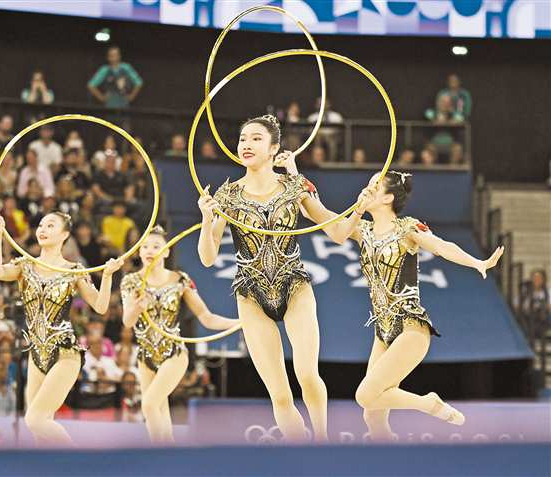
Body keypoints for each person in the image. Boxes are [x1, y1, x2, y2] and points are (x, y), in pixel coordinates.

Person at [198, 115, 373, 442]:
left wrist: (359, 210)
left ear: (274, 148)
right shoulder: (227, 195)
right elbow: (207, 258)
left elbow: (336, 232)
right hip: (250, 296)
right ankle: (299, 453)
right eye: (242, 139)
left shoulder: (295, 187)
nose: (246, 145)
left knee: (307, 375)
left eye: (255, 139)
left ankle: (321, 443)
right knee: (279, 394)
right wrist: (208, 221)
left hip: (294, 288)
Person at [336, 171, 503, 441]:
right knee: (373, 416)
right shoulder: (361, 229)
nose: (367, 188)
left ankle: (429, 403)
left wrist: (477, 262)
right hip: (383, 330)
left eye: (374, 186)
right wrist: (293, 178)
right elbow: (325, 221)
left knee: (365, 395)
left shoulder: (407, 229)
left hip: (410, 327)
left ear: (388, 197)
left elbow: (441, 246)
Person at [0, 209, 123, 444]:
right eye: (41, 225)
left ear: (65, 235)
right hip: (36, 354)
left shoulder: (74, 271)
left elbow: (101, 307)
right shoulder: (25, 265)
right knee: (39, 432)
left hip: (65, 353)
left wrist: (108, 275)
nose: (42, 229)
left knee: (35, 419)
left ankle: (80, 466)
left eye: (50, 225)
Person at [121, 226, 236, 443]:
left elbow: (206, 317)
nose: (149, 251)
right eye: (144, 246)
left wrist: (240, 323)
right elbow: (128, 322)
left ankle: (160, 458)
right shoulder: (131, 281)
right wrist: (137, 307)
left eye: (156, 246)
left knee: (149, 404)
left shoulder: (179, 280)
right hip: (145, 356)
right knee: (158, 413)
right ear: (138, 251)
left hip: (173, 353)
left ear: (165, 251)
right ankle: (169, 456)